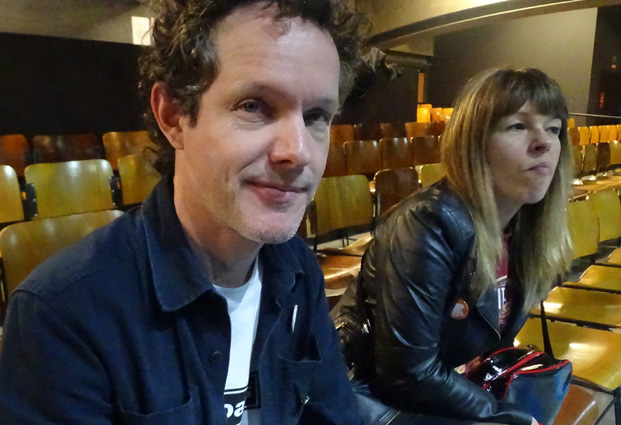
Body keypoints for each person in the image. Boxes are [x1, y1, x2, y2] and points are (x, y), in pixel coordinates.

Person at [0, 1, 366, 424]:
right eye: (254, 106)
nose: (298, 152)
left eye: (317, 116)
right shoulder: (64, 313)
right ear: (173, 116)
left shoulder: (297, 268)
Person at [331, 68, 573, 425]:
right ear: (474, 144)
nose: (544, 142)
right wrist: (509, 416)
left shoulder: (526, 229)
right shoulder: (428, 224)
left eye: (553, 128)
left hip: (436, 385)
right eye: (517, 126)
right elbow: (408, 374)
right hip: (369, 393)